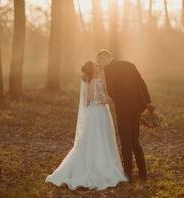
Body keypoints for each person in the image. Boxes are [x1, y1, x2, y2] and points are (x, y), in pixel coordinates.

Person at [45, 61, 128, 190]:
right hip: (97, 114)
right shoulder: (93, 82)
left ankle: (103, 164)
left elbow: (97, 97)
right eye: (95, 65)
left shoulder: (98, 81)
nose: (98, 65)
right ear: (92, 70)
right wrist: (104, 100)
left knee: (102, 139)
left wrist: (105, 99)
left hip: (101, 113)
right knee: (96, 140)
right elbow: (89, 100)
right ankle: (97, 167)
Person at [97, 49, 155, 180]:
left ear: (105, 58)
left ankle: (128, 173)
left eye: (100, 60)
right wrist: (147, 102)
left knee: (125, 142)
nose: (100, 63)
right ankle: (143, 172)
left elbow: (112, 91)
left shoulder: (108, 70)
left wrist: (116, 99)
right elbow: (142, 83)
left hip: (123, 109)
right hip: (137, 108)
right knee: (135, 141)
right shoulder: (129, 64)